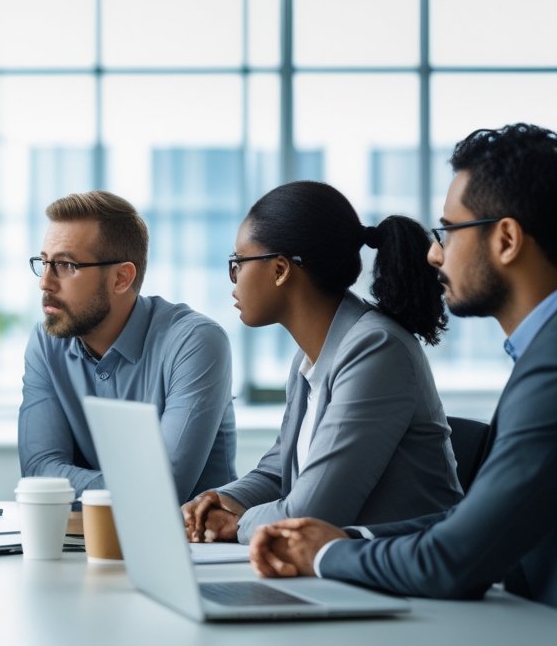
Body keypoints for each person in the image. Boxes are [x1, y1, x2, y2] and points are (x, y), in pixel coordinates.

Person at [242, 123, 557, 646]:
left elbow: (452, 560)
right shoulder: (537, 357)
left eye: (448, 231)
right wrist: (347, 540)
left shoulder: (548, 367)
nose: (434, 254)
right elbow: (473, 521)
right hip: (516, 621)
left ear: (505, 239)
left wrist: (324, 554)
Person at [16, 189, 237, 646]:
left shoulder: (195, 341)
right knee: (4, 636)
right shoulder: (47, 341)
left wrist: (79, 486)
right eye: (44, 263)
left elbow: (162, 489)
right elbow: (38, 471)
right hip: (85, 550)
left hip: (182, 556)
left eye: (66, 266)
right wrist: (117, 492)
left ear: (122, 277)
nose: (45, 283)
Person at [182, 181, 463, 546]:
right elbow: (277, 472)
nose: (234, 280)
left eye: (239, 262)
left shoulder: (377, 349)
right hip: (345, 565)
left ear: (280, 269)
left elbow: (311, 514)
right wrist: (217, 500)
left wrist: (236, 524)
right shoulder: (309, 359)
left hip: (407, 569)